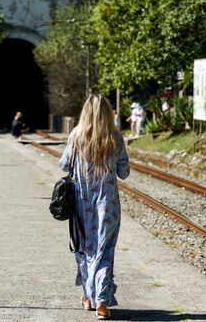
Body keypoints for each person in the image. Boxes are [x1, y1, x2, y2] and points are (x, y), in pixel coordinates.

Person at [59, 94, 130, 319]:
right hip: (107, 206)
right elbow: (124, 172)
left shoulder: (76, 135)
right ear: (108, 113)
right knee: (104, 252)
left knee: (84, 249)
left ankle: (88, 297)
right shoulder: (115, 138)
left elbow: (64, 164)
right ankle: (101, 301)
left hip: (81, 205)